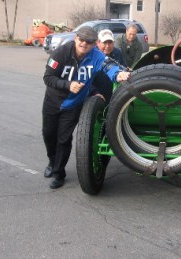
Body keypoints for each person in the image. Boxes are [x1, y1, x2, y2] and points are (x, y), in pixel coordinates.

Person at [42, 26, 130, 189]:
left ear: (94, 43)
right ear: (76, 38)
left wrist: (118, 74)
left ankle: (58, 173)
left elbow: (109, 67)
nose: (84, 44)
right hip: (53, 101)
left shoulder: (97, 56)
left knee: (64, 139)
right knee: (48, 135)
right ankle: (52, 162)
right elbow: (48, 78)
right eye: (81, 40)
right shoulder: (61, 53)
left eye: (89, 42)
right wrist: (68, 85)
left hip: (74, 104)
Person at [90, 29, 127, 104]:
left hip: (114, 93)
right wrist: (94, 92)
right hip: (95, 95)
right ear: (98, 43)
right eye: (105, 43)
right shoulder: (91, 55)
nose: (107, 46)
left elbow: (124, 67)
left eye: (110, 43)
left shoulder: (118, 53)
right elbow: (85, 80)